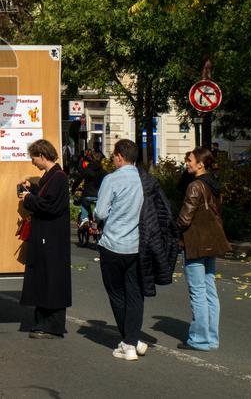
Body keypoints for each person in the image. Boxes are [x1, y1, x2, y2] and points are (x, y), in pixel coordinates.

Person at [94, 139, 147, 361]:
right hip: (137, 245)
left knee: (116, 293)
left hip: (113, 243)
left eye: (114, 156)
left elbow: (101, 212)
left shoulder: (112, 179)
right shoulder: (144, 179)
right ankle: (133, 339)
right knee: (135, 294)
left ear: (119, 156)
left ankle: (128, 343)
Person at [176, 146, 231, 351]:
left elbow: (185, 218)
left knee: (197, 292)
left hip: (196, 243)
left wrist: (173, 230)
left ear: (200, 164)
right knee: (210, 291)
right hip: (212, 242)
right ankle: (212, 338)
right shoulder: (213, 184)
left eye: (190, 160)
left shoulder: (195, 186)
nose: (187, 162)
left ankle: (199, 339)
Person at [18, 139, 71, 339]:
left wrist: (29, 199)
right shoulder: (52, 176)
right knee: (46, 277)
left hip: (51, 237)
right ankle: (43, 321)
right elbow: (46, 198)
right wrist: (32, 189)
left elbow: (50, 205)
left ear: (42, 155)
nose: (33, 162)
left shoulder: (58, 177)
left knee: (51, 278)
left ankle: (51, 324)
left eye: (33, 157)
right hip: (47, 236)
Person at [72, 147, 106, 228]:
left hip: (87, 195)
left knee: (84, 202)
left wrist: (73, 189)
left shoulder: (87, 170)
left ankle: (85, 219)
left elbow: (78, 180)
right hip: (99, 196)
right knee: (97, 206)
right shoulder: (103, 172)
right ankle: (96, 220)